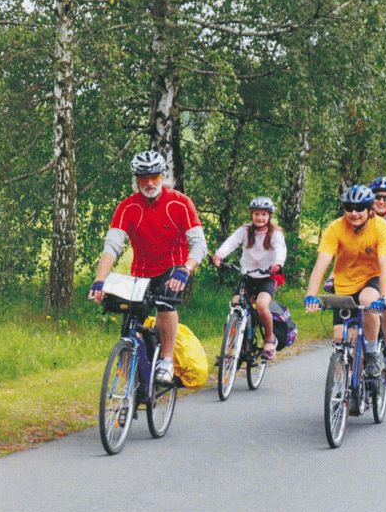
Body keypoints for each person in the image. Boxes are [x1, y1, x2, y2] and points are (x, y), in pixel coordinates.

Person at [89, 150, 207, 383]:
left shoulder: (181, 203)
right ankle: (129, 389)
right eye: (144, 178)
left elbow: (199, 245)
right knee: (128, 327)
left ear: (163, 176)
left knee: (166, 301)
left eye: (154, 176)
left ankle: (166, 360)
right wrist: (99, 279)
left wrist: (186, 269)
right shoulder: (127, 207)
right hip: (141, 274)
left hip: (173, 270)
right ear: (136, 180)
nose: (150, 182)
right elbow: (112, 246)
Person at [304, 185, 386, 376]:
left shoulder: (382, 227)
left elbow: (385, 264)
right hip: (345, 284)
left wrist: (383, 297)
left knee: (368, 300)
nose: (354, 213)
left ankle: (373, 353)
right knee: (341, 338)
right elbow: (322, 263)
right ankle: (344, 386)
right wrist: (311, 295)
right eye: (349, 208)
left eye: (359, 208)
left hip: (374, 277)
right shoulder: (335, 228)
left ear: (370, 210)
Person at [212, 196, 287, 359]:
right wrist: (219, 255)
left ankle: (269, 339)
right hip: (248, 275)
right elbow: (231, 242)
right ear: (251, 215)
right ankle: (228, 351)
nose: (260, 218)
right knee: (236, 305)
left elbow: (280, 249)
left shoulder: (275, 233)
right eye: (256, 214)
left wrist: (278, 264)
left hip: (268, 276)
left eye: (264, 214)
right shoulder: (245, 230)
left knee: (261, 305)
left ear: (270, 216)